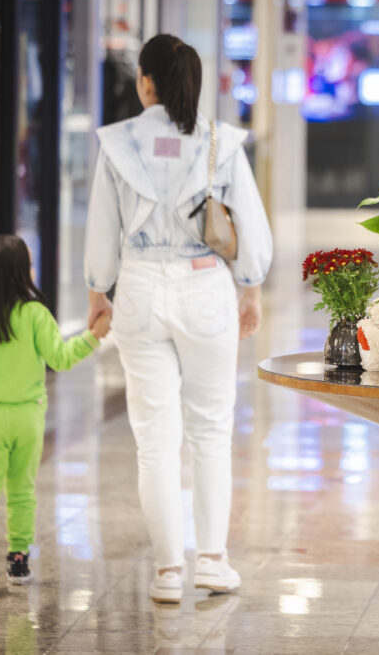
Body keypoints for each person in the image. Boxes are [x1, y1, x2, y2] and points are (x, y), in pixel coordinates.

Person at [84, 34, 272, 604]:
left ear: (146, 82)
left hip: (139, 287)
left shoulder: (117, 144)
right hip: (204, 286)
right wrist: (250, 291)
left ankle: (168, 571)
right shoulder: (220, 140)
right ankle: (212, 562)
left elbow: (101, 230)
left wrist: (99, 293)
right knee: (212, 429)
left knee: (154, 440)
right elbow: (252, 233)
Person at [0, 235, 111, 594]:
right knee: (21, 489)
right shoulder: (34, 313)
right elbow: (61, 358)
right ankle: (18, 562)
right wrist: (94, 336)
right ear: (18, 273)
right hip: (27, 417)